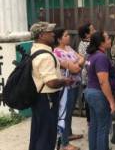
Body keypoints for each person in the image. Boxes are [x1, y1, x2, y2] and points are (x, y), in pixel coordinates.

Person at [29, 22, 74, 150]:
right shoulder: (45, 56)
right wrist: (64, 81)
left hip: (40, 98)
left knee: (38, 134)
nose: (53, 34)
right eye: (50, 32)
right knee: (47, 137)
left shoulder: (35, 50)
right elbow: (51, 82)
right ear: (42, 35)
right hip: (47, 99)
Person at [53, 28, 85, 150]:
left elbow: (82, 57)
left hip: (75, 85)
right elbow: (75, 69)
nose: (69, 37)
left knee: (70, 112)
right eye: (66, 35)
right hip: (66, 88)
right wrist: (77, 63)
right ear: (59, 39)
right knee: (65, 114)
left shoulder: (69, 48)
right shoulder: (57, 52)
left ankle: (69, 134)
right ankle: (64, 143)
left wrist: (76, 63)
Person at [85, 31, 115, 150]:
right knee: (103, 127)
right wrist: (112, 102)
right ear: (101, 43)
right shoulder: (101, 57)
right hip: (99, 94)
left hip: (91, 92)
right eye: (108, 38)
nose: (110, 40)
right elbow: (103, 81)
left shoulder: (93, 55)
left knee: (94, 125)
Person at [78, 23, 96, 124]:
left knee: (87, 97)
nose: (95, 31)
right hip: (89, 75)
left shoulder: (83, 43)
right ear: (86, 35)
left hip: (86, 74)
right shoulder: (88, 45)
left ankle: (90, 120)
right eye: (92, 30)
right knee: (89, 100)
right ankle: (90, 120)